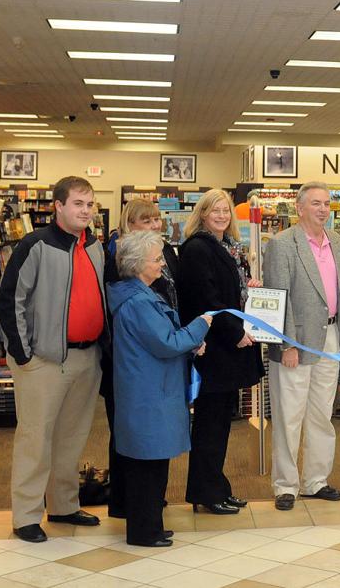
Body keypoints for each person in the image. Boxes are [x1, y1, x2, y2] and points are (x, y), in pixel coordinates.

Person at [0, 176, 107, 543]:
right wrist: (23, 354)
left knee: (71, 438)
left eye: (89, 204)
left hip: (87, 357)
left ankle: (63, 505)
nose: (85, 211)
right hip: (43, 362)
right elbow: (9, 300)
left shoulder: (95, 246)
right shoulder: (35, 245)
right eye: (78, 204)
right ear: (58, 206)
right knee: (35, 439)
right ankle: (26, 516)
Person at [107, 231, 211, 547]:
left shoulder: (140, 296)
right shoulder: (139, 302)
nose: (162, 264)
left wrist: (189, 342)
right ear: (138, 264)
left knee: (153, 463)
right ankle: (144, 531)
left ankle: (151, 525)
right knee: (146, 466)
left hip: (150, 388)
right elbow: (167, 342)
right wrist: (200, 326)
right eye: (156, 259)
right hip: (148, 392)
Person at [263, 181, 340, 510]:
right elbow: (279, 294)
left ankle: (316, 480)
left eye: (326, 203)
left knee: (322, 413)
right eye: (316, 203)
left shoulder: (337, 242)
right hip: (296, 343)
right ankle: (285, 485)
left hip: (331, 335)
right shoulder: (282, 243)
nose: (323, 209)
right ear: (299, 208)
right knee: (289, 415)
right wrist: (287, 343)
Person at [177, 189, 263, 515]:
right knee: (209, 426)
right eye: (215, 210)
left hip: (228, 351)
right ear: (202, 214)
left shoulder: (229, 246)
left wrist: (250, 289)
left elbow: (231, 292)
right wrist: (235, 333)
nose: (222, 216)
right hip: (215, 351)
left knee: (221, 424)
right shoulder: (197, 248)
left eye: (226, 210)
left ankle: (217, 488)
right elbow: (206, 300)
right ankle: (205, 492)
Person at [101, 199, 181, 519]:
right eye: (146, 221)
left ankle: (149, 502)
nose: (154, 225)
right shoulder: (121, 257)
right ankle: (128, 503)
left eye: (156, 219)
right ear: (130, 224)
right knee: (130, 434)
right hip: (133, 358)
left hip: (162, 351)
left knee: (155, 434)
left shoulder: (166, 251)